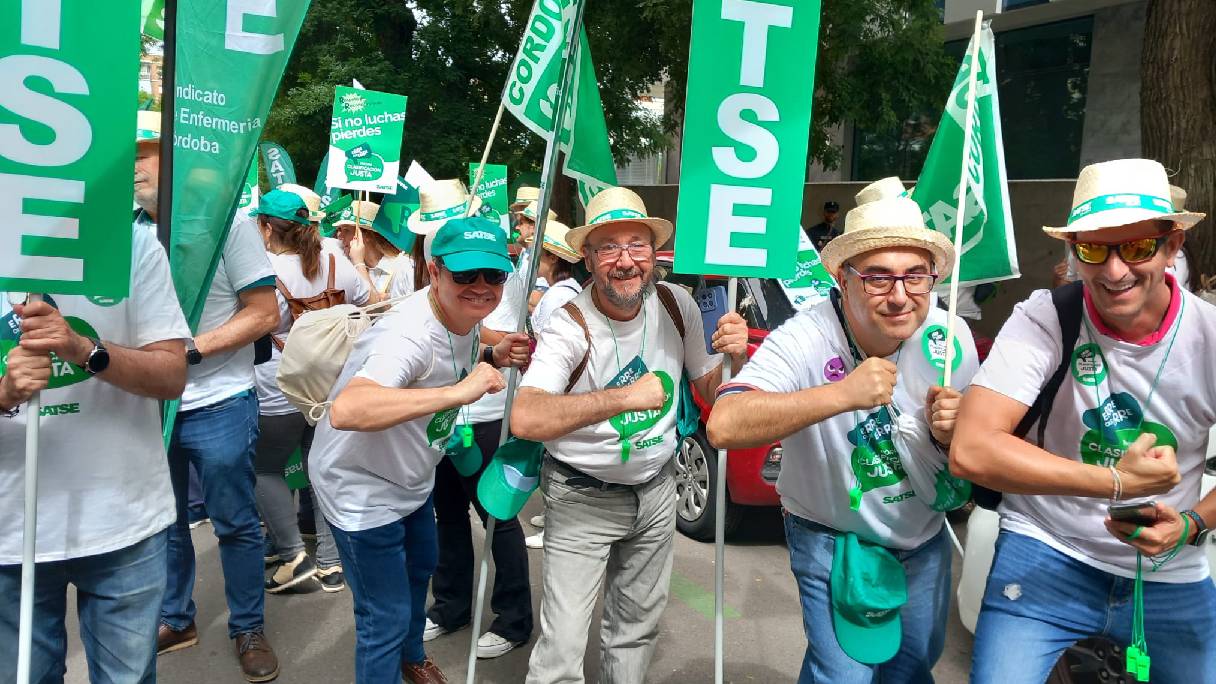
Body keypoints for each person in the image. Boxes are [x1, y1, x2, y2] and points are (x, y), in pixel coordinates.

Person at [950, 159, 1214, 683]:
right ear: (1074, 250)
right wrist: (1117, 481)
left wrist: (1192, 524)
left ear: (1172, 246)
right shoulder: (1046, 317)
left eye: (1136, 247)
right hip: (1047, 546)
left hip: (1166, 568)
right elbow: (971, 449)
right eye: (1094, 248)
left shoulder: (1209, 337)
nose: (1114, 271)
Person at [708, 180, 976, 682]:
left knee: (913, 666)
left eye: (915, 276)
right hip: (831, 538)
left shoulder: (950, 335)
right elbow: (725, 423)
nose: (900, 297)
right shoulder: (807, 336)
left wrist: (953, 434)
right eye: (878, 278)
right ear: (843, 276)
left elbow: (970, 454)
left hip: (923, 538)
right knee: (844, 676)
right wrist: (842, 395)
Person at [510, 187, 748, 683]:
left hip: (658, 490)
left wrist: (737, 359)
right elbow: (527, 418)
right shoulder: (569, 324)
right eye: (609, 247)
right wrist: (623, 398)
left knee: (635, 630)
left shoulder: (674, 301)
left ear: (653, 252)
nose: (625, 261)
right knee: (562, 648)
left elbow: (710, 387)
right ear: (588, 258)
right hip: (581, 497)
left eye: (636, 245)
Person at [0, 111, 191, 684]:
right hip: (11, 533)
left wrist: (87, 351)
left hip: (125, 520)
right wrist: (5, 390)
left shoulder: (133, 246)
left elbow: (171, 376)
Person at [309, 216, 531, 684]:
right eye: (465, 275)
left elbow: (453, 353)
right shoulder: (405, 334)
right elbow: (348, 409)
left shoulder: (459, 314)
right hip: (361, 487)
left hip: (410, 476)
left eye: (493, 275)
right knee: (382, 617)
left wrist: (493, 354)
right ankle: (393, 659)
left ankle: (412, 658)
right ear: (435, 271)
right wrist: (460, 393)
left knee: (419, 573)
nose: (481, 287)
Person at [156, 151, 282, 680]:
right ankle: (176, 618)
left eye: (148, 153)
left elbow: (265, 312)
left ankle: (248, 626)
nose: (137, 166)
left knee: (233, 522)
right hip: (147, 403)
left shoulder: (228, 222)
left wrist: (184, 353)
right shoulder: (125, 227)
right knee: (165, 523)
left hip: (220, 399)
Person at [251, 189, 370, 595]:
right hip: (331, 385)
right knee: (319, 466)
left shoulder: (260, 267)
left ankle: (291, 554)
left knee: (264, 468)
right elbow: (370, 305)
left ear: (267, 227)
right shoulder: (337, 261)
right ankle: (332, 564)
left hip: (278, 385)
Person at [335, 201, 414, 303]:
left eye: (346, 230)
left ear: (367, 235)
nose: (339, 236)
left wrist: (359, 263)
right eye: (339, 230)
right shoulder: (349, 267)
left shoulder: (403, 267)